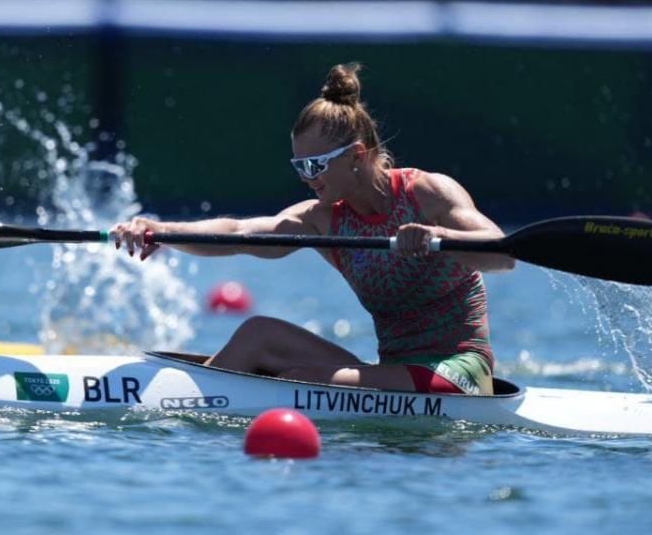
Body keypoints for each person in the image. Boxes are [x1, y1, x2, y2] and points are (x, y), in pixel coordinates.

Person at [109, 62, 514, 396]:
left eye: (316, 165)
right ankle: (183, 408)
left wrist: (436, 239)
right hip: (395, 370)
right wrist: (161, 231)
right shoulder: (323, 217)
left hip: (460, 372)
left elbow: (501, 252)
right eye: (299, 167)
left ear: (357, 156)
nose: (307, 177)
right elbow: (241, 232)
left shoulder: (427, 193)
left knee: (297, 384)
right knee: (256, 335)